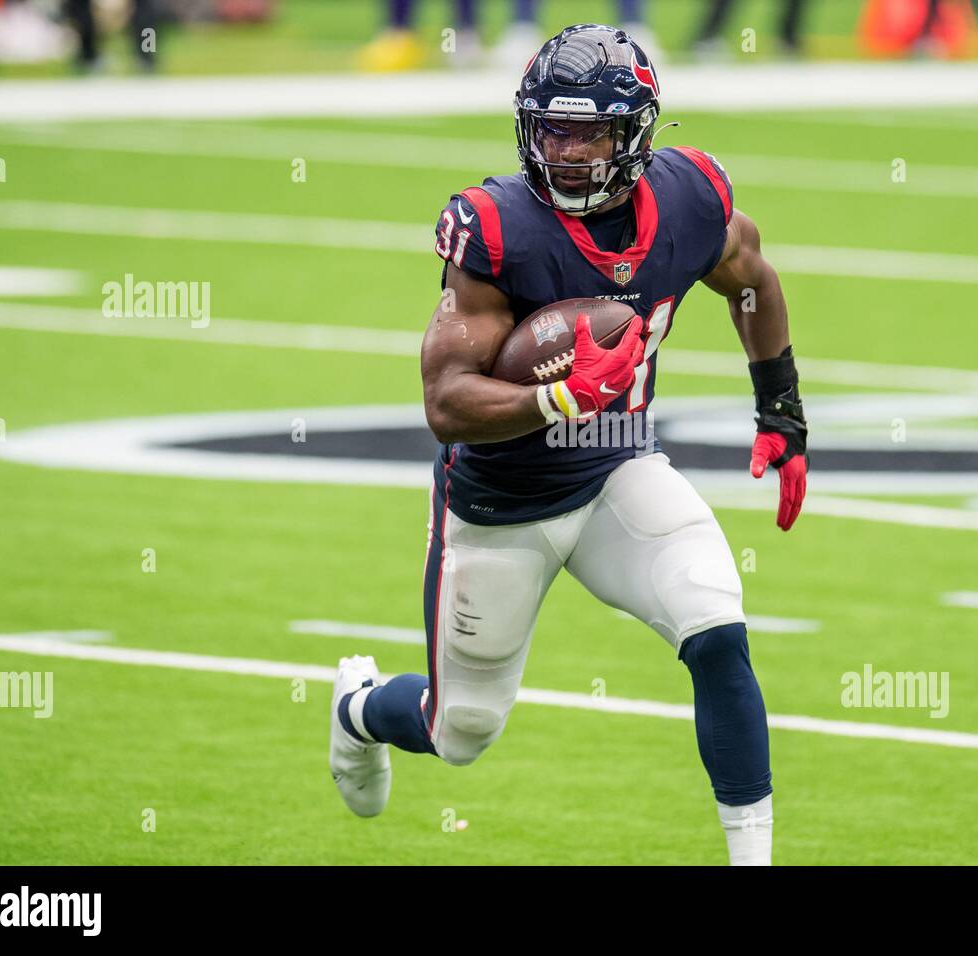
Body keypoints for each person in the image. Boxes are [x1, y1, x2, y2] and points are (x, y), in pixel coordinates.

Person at [328, 23, 809, 866]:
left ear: (638, 135)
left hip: (620, 467)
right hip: (503, 505)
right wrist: (555, 395)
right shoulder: (496, 225)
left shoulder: (693, 197)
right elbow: (445, 401)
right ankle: (359, 710)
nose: (570, 151)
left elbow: (754, 280)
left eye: (591, 133)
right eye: (553, 130)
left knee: (717, 624)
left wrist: (783, 413)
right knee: (461, 731)